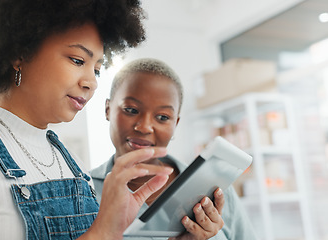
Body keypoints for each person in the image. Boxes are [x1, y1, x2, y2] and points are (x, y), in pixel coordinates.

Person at [0, 1, 175, 240]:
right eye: (77, 60)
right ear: (19, 53)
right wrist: (101, 233)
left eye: (97, 69)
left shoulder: (73, 166)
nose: (90, 82)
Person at [90, 58, 259, 239]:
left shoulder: (216, 192)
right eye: (131, 110)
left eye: (162, 117)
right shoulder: (81, 192)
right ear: (108, 109)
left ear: (175, 124)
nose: (145, 127)